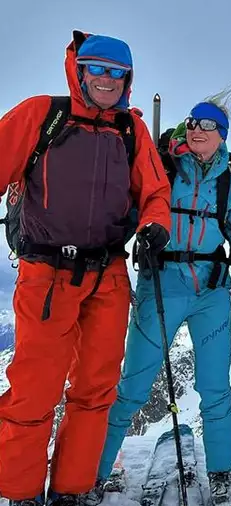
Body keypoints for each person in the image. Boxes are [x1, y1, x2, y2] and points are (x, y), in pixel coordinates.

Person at [0, 31, 172, 506]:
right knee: (35, 390)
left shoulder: (131, 131)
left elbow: (155, 192)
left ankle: (72, 490)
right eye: (97, 69)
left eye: (117, 73)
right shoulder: (42, 115)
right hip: (46, 273)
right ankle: (20, 493)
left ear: (128, 81)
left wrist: (155, 225)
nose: (107, 80)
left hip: (109, 275)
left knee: (96, 388)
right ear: (79, 70)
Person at [87, 88, 231, 506]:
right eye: (193, 122)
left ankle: (221, 473)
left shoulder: (227, 184)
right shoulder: (162, 166)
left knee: (215, 387)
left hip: (211, 290)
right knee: (132, 386)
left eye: (208, 124)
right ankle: (94, 473)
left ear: (222, 134)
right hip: (161, 284)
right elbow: (130, 211)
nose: (197, 129)